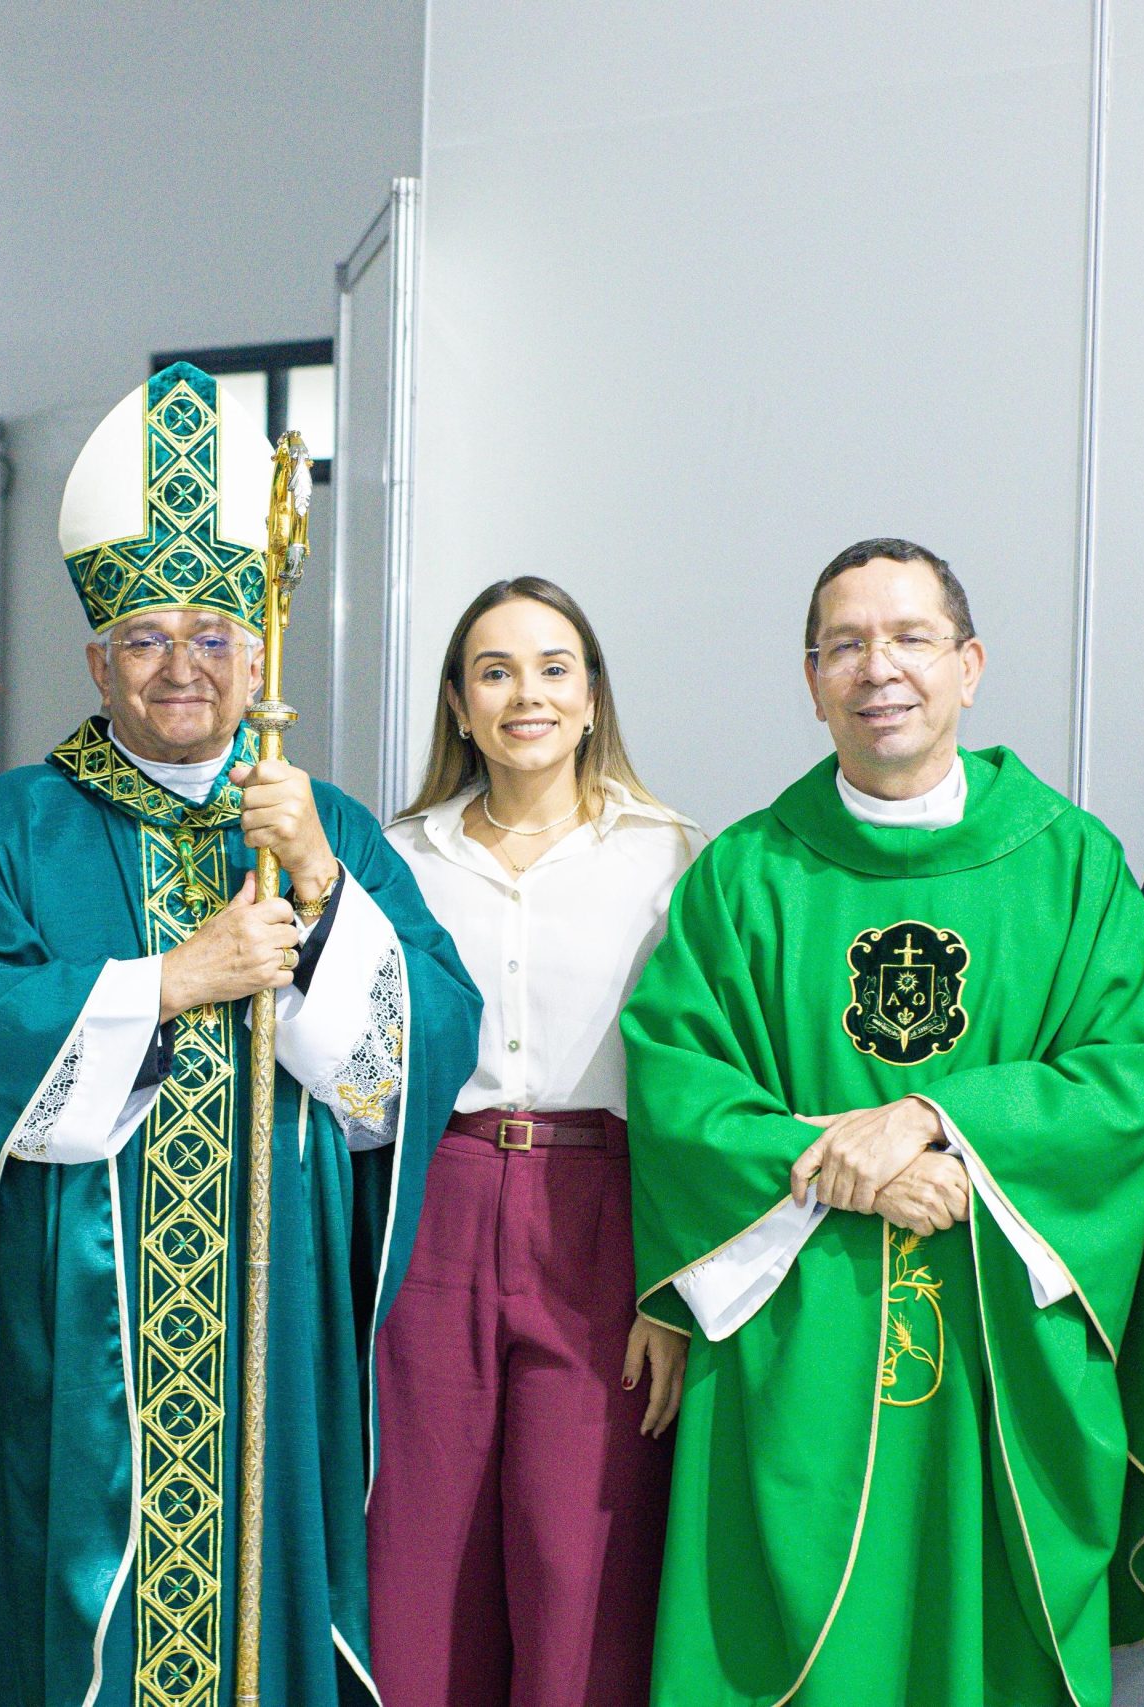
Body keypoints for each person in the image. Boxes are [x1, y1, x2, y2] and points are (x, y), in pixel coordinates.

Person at [0, 361, 481, 1707]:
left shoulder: (324, 822)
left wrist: (319, 880)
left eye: (214, 634)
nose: (184, 666)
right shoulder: (8, 824)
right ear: (97, 660)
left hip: (275, 1298)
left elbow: (427, 1046)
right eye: (145, 637)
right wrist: (171, 980)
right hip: (72, 1306)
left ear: (258, 656)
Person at [622, 539, 1144, 1707]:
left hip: (1000, 1341)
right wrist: (844, 1167)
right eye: (845, 645)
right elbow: (678, 1088)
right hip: (799, 1334)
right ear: (811, 678)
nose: (878, 669)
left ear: (968, 666)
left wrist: (937, 1119)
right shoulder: (746, 875)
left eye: (910, 639)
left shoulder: (1071, 865)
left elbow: (1129, 1074)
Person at [371, 577, 699, 1707]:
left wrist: (671, 1285)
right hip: (436, 1197)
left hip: (603, 1211)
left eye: (555, 668)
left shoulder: (672, 856)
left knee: (581, 1554)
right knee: (423, 1550)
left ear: (593, 697)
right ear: (458, 705)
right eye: (495, 671)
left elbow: (694, 1085)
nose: (527, 695)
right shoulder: (396, 859)